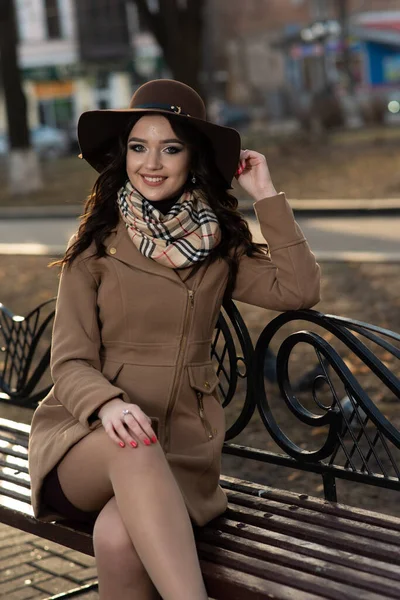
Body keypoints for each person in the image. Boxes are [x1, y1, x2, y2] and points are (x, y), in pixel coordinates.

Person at [28, 79, 320, 600]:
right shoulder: (94, 250)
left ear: (193, 158)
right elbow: (69, 363)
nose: (152, 163)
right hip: (85, 444)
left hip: (181, 451)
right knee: (133, 445)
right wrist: (107, 405)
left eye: (170, 148)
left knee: (117, 538)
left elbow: (298, 289)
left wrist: (266, 197)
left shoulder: (219, 247)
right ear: (124, 155)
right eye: (139, 147)